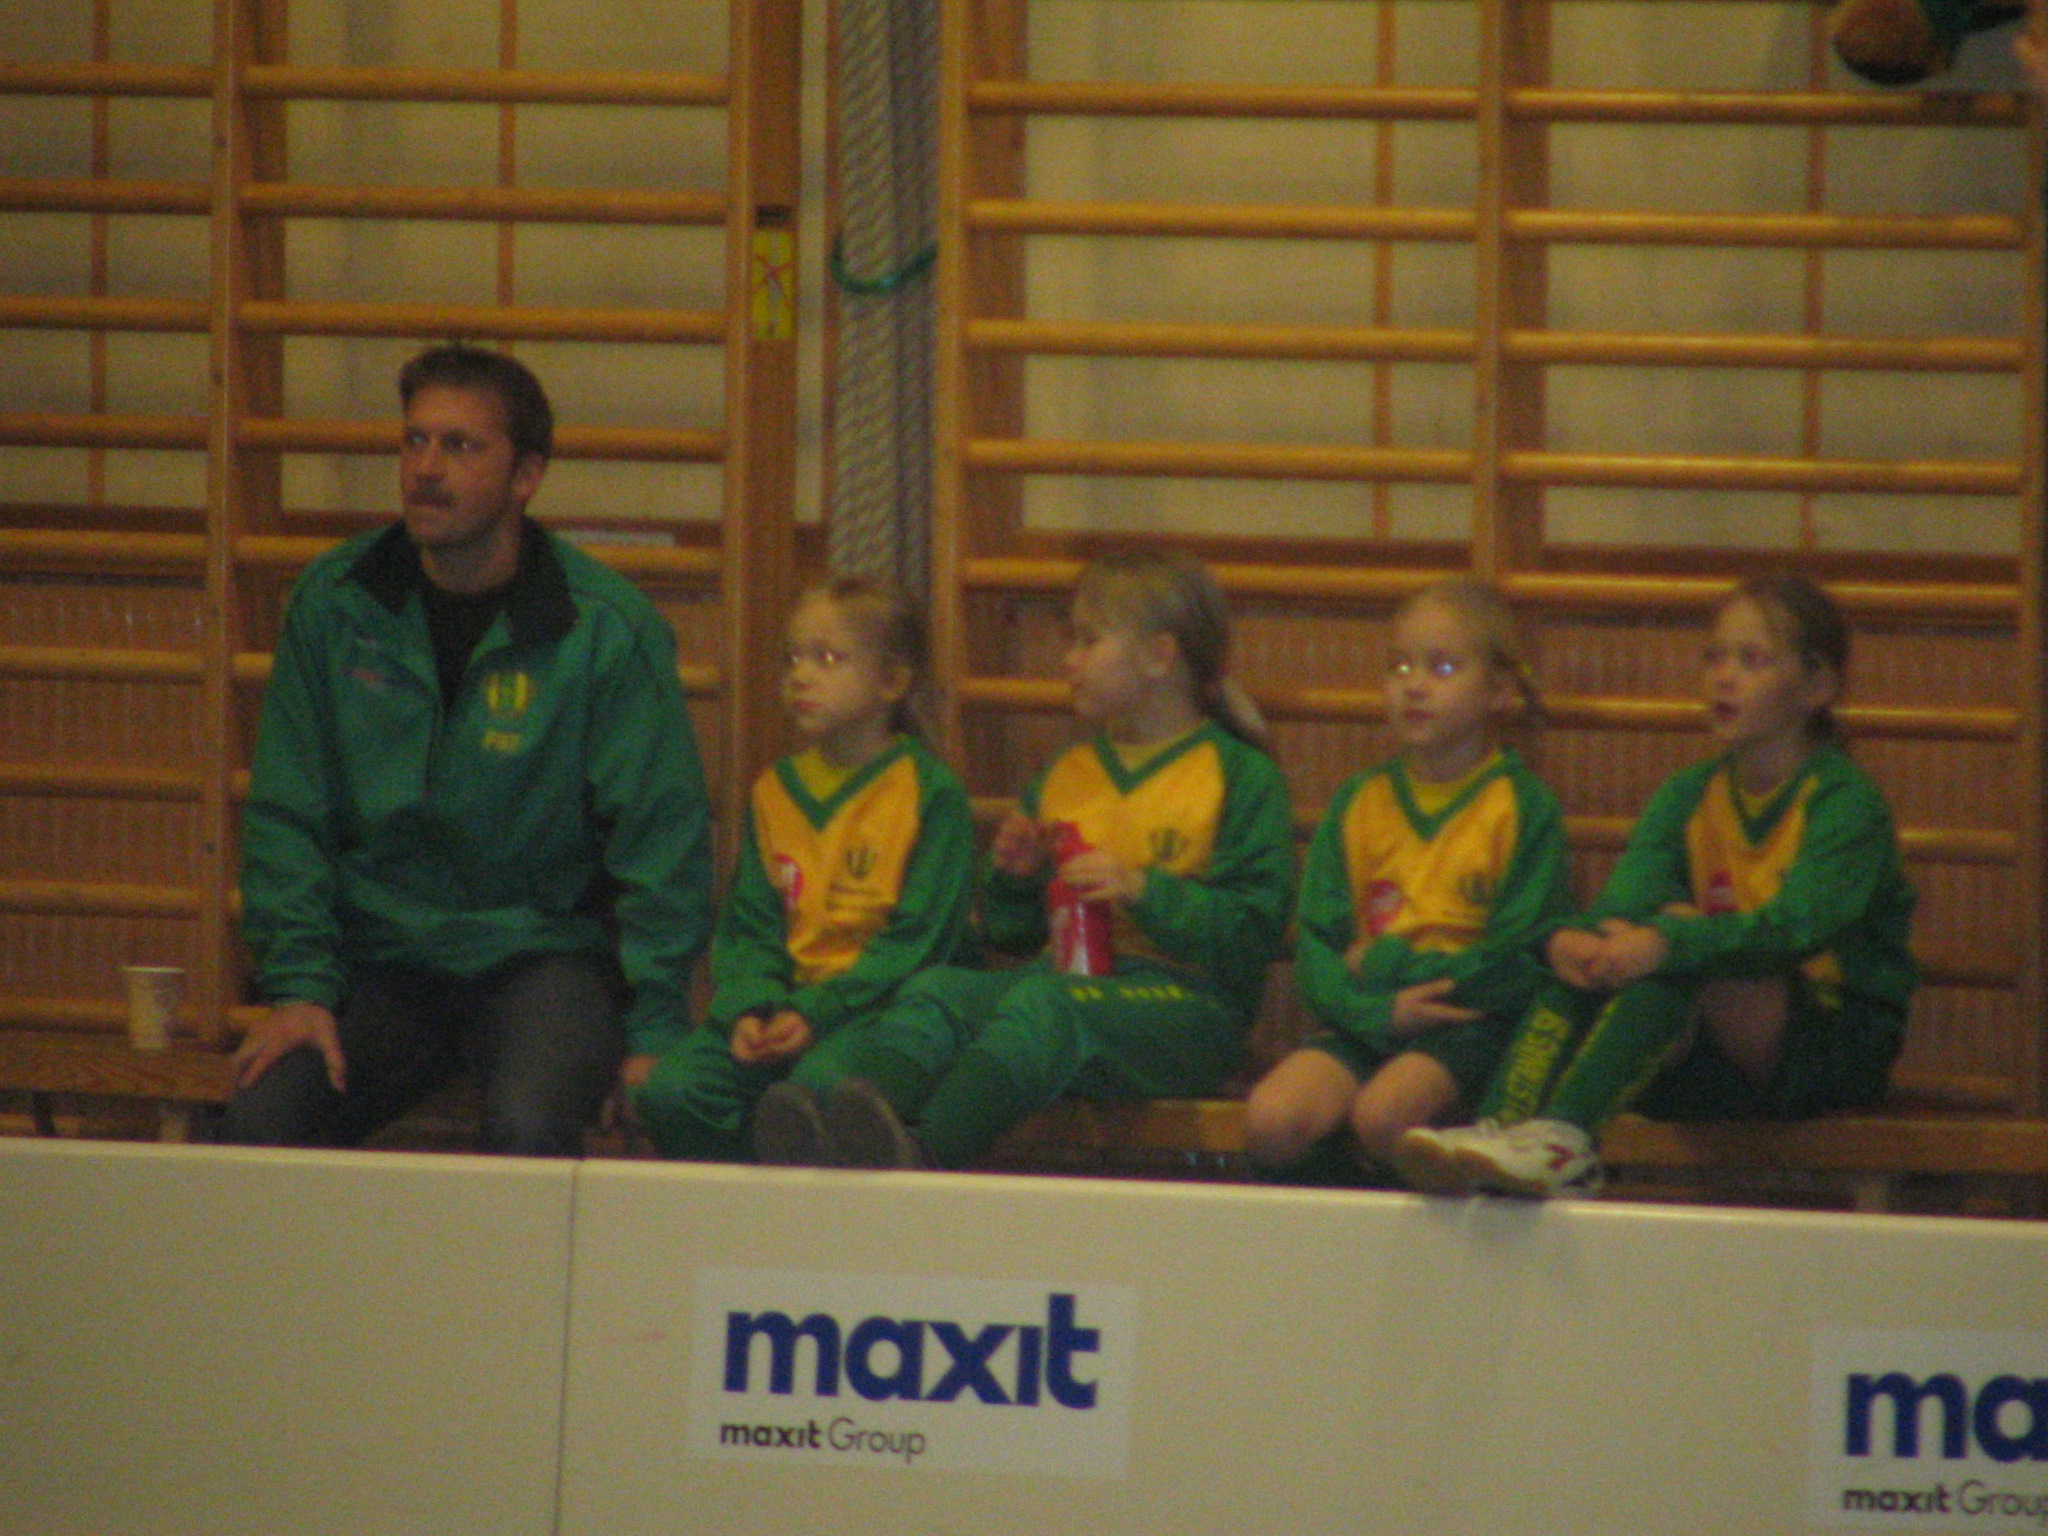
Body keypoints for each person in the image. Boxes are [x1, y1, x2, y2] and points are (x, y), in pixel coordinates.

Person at [218, 342, 713, 1155]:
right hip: (381, 957)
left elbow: (661, 841)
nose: (426, 469)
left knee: (528, 1125)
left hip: (542, 957)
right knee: (260, 1118)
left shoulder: (604, 630)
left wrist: (656, 1028)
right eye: (414, 441)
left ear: (527, 476)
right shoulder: (336, 604)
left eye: (460, 446)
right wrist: (299, 987)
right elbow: (285, 811)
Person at [771, 547, 1295, 1170]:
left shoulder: (1240, 776)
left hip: (1189, 1009)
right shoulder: (1068, 772)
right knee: (940, 991)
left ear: (1159, 657)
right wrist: (1015, 880)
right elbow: (1011, 935)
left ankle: (923, 1156)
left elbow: (1251, 933)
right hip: (1066, 981)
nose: (1068, 660)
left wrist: (1142, 889)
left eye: (1087, 640)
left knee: (1046, 1007)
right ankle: (843, 1126)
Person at [1395, 575, 1916, 1198]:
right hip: (1709, 1049)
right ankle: (1504, 1123)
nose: (1724, 678)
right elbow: (1622, 904)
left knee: (1676, 951)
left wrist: (1670, 940)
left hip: (1826, 1048)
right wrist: (1567, 942)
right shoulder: (1688, 793)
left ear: (1817, 686)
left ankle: (1567, 1139)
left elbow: (1794, 930)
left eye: (1752, 661)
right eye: (1714, 657)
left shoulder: (1844, 803)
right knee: (1601, 955)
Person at [632, 577, 976, 1161]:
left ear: (892, 682)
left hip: (875, 1011)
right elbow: (751, 926)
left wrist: (818, 1012)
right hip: (787, 1009)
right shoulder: (774, 791)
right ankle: (762, 1192)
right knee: (672, 1093)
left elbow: (919, 942)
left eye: (828, 659)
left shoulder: (930, 793)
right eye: (792, 658)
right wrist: (753, 1008)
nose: (800, 676)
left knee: (820, 1090)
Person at [1242, 579, 1571, 1185]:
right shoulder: (1359, 801)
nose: (1414, 685)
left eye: (1441, 667)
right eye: (1399, 666)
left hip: (1467, 1025)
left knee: (1384, 1115)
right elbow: (1318, 945)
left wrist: (1386, 964)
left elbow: (1520, 959)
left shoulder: (1523, 806)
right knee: (1272, 1118)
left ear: (1498, 690)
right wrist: (1377, 1013)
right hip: (1371, 1017)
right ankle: (1336, 1227)